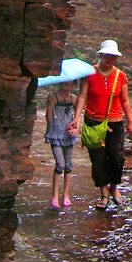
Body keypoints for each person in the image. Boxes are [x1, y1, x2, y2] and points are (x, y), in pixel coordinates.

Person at [67, 39, 132, 209]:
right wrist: (77, 117)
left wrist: (131, 121)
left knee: (117, 158)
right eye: (107, 55)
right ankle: (104, 194)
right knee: (98, 161)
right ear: (101, 55)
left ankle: (114, 188)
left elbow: (125, 101)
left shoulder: (120, 76)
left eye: (113, 56)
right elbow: (82, 96)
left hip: (115, 123)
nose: (109, 58)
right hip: (93, 122)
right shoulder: (89, 73)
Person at [45, 80, 78, 210]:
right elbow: (48, 119)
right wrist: (50, 104)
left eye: (71, 85)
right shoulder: (54, 96)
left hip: (69, 135)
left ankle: (66, 194)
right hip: (55, 134)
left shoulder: (73, 98)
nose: (68, 88)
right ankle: (54, 195)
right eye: (65, 85)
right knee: (60, 163)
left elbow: (78, 114)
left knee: (68, 164)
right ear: (60, 84)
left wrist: (76, 127)